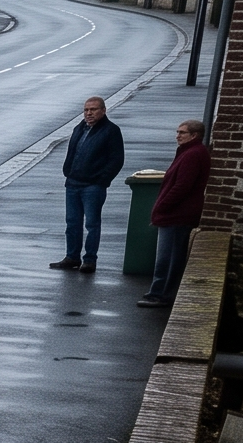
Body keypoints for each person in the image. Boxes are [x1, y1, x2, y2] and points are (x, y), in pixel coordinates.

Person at [139, 120, 211, 307]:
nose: (177, 136)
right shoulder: (189, 152)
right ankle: (157, 291)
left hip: (178, 215)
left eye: (182, 132)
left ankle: (162, 294)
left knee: (168, 258)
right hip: (177, 214)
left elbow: (182, 186)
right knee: (167, 256)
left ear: (194, 135)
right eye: (177, 132)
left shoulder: (193, 154)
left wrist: (161, 207)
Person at [53, 96, 124, 272]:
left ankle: (90, 259)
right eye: (86, 110)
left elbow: (116, 159)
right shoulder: (80, 128)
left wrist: (102, 179)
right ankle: (72, 257)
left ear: (103, 110)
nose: (89, 113)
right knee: (72, 223)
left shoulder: (111, 130)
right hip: (73, 183)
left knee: (92, 224)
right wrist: (67, 171)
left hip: (93, 186)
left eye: (93, 109)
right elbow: (73, 151)